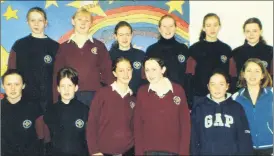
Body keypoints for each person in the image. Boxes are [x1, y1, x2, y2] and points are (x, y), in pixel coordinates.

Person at [53, 7, 114, 107]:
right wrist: (56, 101)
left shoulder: (99, 46)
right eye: (79, 20)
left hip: (95, 95)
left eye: (87, 20)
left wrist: (110, 96)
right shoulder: (63, 47)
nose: (83, 23)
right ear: (73, 21)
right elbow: (57, 75)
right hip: (70, 95)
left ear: (91, 23)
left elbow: (107, 73)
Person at [134, 57, 190, 156]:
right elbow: (138, 125)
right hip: (149, 151)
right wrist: (139, 153)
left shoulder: (177, 90)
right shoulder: (142, 92)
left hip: (173, 151)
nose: (150, 74)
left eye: (154, 69)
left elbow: (185, 124)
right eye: (147, 70)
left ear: (163, 70)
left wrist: (184, 152)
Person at [190, 69, 253, 155]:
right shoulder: (199, 108)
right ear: (208, 86)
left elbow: (244, 139)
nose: (217, 88)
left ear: (227, 86)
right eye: (213, 84)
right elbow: (193, 139)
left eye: (221, 84)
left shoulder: (237, 108)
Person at [8, 6, 59, 112]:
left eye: (40, 20)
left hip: (48, 101)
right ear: (27, 22)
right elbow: (11, 74)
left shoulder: (55, 47)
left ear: (45, 22)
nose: (36, 24)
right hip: (24, 99)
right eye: (33, 20)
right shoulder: (19, 45)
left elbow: (59, 76)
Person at [86, 57, 135, 156]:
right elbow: (92, 124)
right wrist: (94, 151)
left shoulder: (134, 99)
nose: (126, 74)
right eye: (121, 70)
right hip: (103, 152)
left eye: (128, 69)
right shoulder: (102, 94)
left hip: (128, 152)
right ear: (114, 73)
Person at [186, 13, 232, 104]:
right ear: (203, 28)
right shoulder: (194, 49)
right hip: (199, 98)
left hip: (221, 98)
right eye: (208, 25)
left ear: (219, 27)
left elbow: (231, 76)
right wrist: (190, 101)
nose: (212, 29)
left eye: (215, 25)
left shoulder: (226, 49)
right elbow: (188, 76)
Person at [145, 15, 190, 104]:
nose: (168, 30)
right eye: (164, 26)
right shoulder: (151, 50)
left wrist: (188, 101)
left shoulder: (183, 49)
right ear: (159, 29)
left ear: (175, 28)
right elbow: (146, 78)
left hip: (179, 98)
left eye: (171, 26)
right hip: (156, 99)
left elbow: (188, 77)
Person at [44, 67, 89, 156]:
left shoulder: (85, 110)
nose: (66, 90)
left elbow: (88, 139)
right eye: (63, 86)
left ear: (76, 87)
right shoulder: (50, 110)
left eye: (70, 85)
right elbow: (47, 139)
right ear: (58, 89)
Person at [232, 58, 273, 156]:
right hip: (246, 148)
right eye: (249, 71)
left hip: (270, 147)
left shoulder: (272, 94)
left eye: (257, 71)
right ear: (243, 74)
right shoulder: (235, 98)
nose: (252, 75)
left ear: (263, 75)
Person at [1, 69, 44, 156]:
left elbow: (41, 136)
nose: (13, 88)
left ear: (23, 85)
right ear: (2, 86)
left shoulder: (34, 107)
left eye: (17, 84)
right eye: (9, 84)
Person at [230, 18, 273, 91]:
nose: (251, 34)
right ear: (244, 32)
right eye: (248, 31)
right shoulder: (235, 53)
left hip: (266, 94)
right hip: (242, 95)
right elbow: (232, 77)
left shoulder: (270, 51)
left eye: (254, 31)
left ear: (260, 31)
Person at [109, 21, 145, 95]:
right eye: (121, 35)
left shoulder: (141, 55)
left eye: (127, 34)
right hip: (115, 97)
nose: (124, 38)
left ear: (132, 35)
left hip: (137, 98)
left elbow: (146, 78)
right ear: (115, 36)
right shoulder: (108, 56)